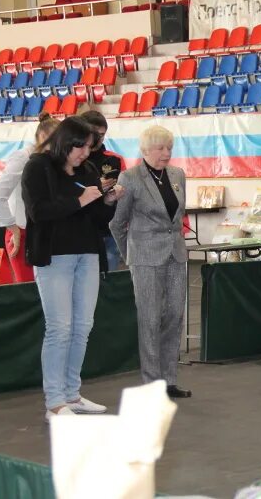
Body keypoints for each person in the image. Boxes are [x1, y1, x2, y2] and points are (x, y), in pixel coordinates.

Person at [21, 116, 125, 421]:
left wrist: (108, 203)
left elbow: (96, 219)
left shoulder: (89, 169)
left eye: (89, 148)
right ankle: (54, 402)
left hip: (87, 255)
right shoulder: (38, 166)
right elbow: (38, 211)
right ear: (66, 142)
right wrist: (79, 200)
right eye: (81, 147)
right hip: (54, 257)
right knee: (59, 328)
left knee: (83, 326)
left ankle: (71, 393)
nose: (85, 154)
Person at [109, 126, 190, 399]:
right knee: (150, 319)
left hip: (176, 255)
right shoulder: (129, 178)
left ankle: (169, 380)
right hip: (144, 258)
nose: (166, 153)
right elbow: (117, 224)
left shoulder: (178, 175)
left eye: (169, 147)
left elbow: (176, 219)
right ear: (145, 151)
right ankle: (151, 383)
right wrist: (131, 255)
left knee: (174, 316)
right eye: (160, 148)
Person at [0, 113, 60, 283]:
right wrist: (13, 228)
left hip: (47, 232)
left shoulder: (54, 160)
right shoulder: (22, 157)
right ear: (42, 137)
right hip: (22, 234)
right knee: (31, 293)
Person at [80, 110, 127, 271]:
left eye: (102, 134)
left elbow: (124, 193)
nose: (98, 139)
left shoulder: (115, 160)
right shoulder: (73, 159)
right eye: (95, 134)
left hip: (108, 230)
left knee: (108, 283)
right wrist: (94, 187)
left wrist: (116, 193)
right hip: (81, 230)